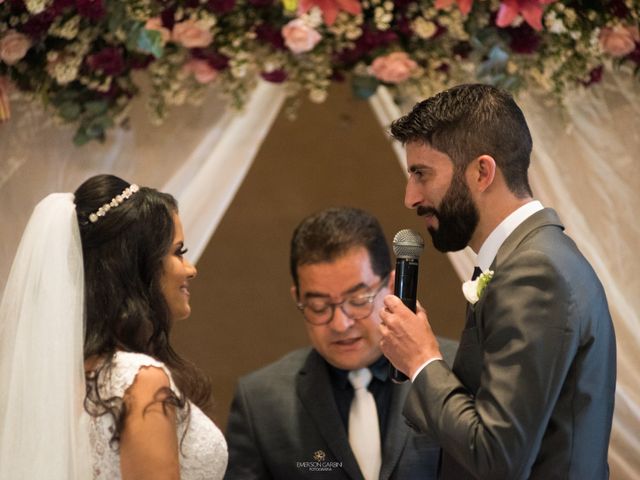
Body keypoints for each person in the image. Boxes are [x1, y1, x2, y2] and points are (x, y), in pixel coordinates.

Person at [379, 84, 617, 479]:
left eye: (422, 174)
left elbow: (497, 455)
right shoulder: (531, 258)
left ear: (482, 172)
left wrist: (421, 360)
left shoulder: (536, 273)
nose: (410, 197)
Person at [0, 174, 228, 480]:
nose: (191, 269)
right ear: (137, 264)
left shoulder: (56, 378)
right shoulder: (138, 380)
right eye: (178, 252)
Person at [224, 207, 457, 480]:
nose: (340, 324)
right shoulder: (260, 402)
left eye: (358, 301)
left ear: (392, 287)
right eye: (319, 306)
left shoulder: (456, 371)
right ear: (297, 297)